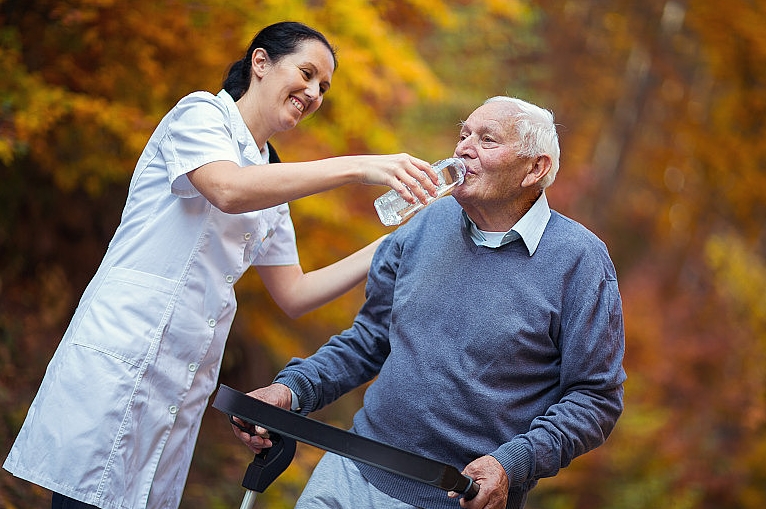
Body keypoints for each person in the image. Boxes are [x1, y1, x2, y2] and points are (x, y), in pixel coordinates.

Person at [3, 21, 441, 509]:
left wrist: (394, 242)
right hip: (123, 348)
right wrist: (357, 166)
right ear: (260, 62)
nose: (315, 93)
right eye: (308, 73)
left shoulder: (273, 177)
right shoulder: (199, 115)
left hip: (184, 372)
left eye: (324, 87)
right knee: (84, 497)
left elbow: (295, 293)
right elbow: (227, 189)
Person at [235, 96, 626, 509]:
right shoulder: (424, 223)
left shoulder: (580, 260)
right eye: (463, 135)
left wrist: (512, 464)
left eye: (487, 140)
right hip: (351, 471)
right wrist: (291, 389)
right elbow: (368, 340)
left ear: (535, 168)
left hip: (453, 497)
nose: (462, 149)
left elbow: (594, 398)